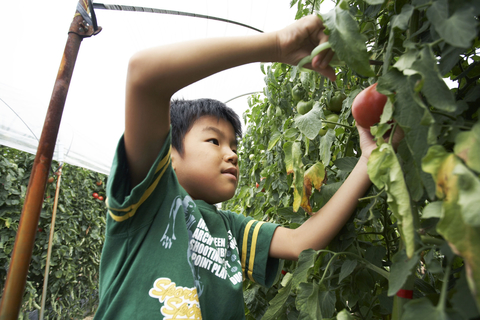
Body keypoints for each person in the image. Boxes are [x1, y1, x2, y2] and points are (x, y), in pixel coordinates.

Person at [94, 15, 396, 319]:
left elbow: (301, 241)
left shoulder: (229, 229)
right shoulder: (150, 202)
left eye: (235, 147)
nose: (232, 155)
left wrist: (369, 159)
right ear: (168, 155)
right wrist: (275, 46)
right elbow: (143, 76)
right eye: (214, 141)